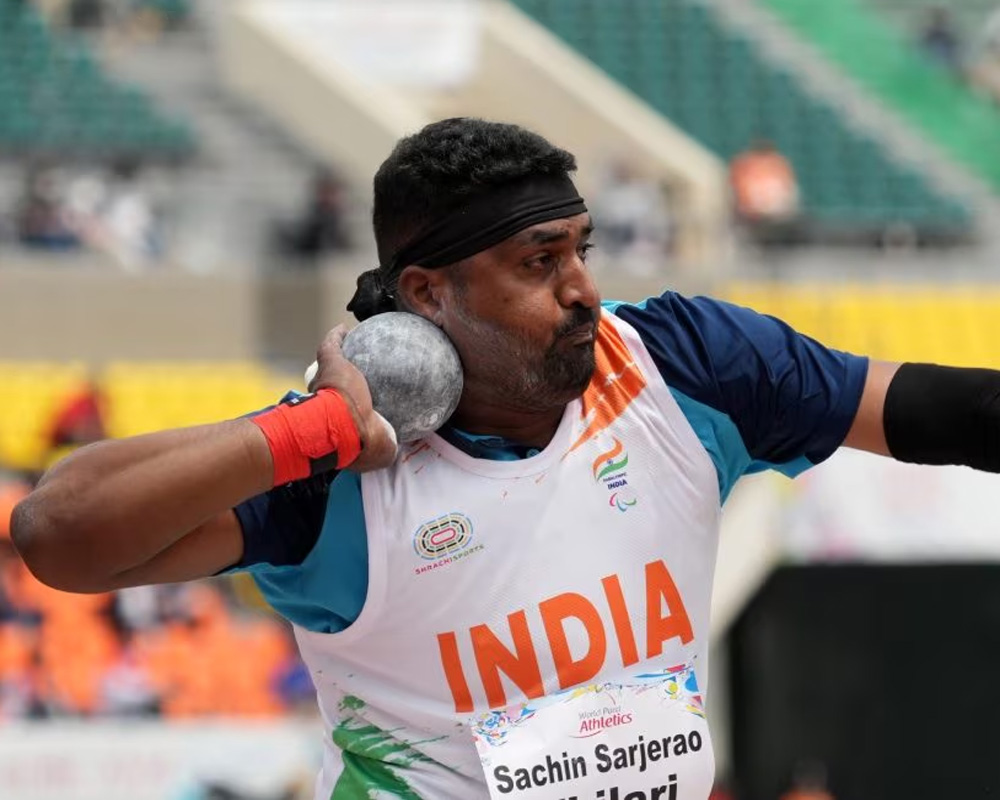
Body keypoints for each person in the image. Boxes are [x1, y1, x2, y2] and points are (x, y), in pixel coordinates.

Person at [9, 117, 1000, 799]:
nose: (581, 289)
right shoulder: (338, 469)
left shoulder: (686, 363)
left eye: (580, 248)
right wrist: (307, 433)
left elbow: (953, 411)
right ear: (428, 292)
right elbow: (57, 535)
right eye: (538, 262)